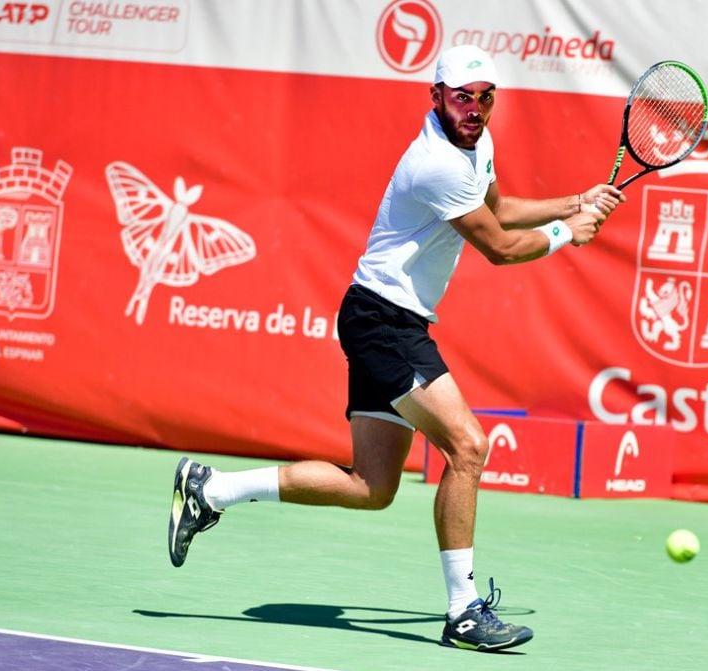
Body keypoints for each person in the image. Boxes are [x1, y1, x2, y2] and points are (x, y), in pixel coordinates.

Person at [167, 44, 624, 653]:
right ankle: (463, 613)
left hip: (382, 319)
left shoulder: (475, 145)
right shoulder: (435, 162)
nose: (475, 108)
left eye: (485, 97)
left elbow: (501, 210)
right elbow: (500, 247)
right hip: (384, 322)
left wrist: (574, 202)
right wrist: (569, 234)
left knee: (372, 486)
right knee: (468, 446)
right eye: (463, 97)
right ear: (436, 96)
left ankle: (211, 489)